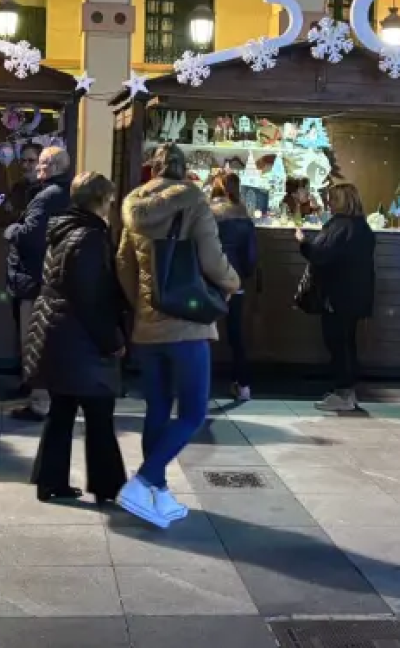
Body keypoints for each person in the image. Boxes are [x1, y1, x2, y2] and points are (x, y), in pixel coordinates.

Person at [116, 143, 240, 528]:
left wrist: (142, 303)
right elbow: (212, 258)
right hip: (186, 325)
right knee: (192, 412)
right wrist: (232, 282)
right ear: (182, 169)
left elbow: (123, 263)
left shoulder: (133, 206)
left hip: (148, 327)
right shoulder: (193, 201)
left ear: (152, 169)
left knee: (157, 408)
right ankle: (142, 482)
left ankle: (159, 494)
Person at [29, 173, 130, 503]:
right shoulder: (88, 237)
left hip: (59, 332)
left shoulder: (62, 231)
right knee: (100, 413)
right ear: (101, 200)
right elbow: (90, 298)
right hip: (81, 338)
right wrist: (111, 340)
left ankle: (50, 481)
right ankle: (108, 486)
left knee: (62, 410)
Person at [6, 145, 73, 422]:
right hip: (49, 277)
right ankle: (47, 397)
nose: (37, 168)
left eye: (41, 164)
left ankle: (39, 401)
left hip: (34, 278)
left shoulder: (46, 197)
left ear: (54, 167)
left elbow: (32, 235)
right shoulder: (64, 193)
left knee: (34, 342)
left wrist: (13, 230)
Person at [298, 182, 377, 413]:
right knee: (347, 343)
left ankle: (343, 391)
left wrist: (303, 242)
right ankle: (348, 392)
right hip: (357, 294)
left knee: (336, 343)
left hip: (336, 294)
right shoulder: (362, 228)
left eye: (332, 199)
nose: (328, 203)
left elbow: (320, 256)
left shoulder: (338, 227)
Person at [210, 172, 259, 402]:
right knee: (236, 334)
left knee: (202, 333)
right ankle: (243, 384)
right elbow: (250, 257)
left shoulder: (206, 213)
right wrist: (244, 275)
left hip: (208, 280)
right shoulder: (244, 216)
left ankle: (198, 385)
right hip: (234, 279)